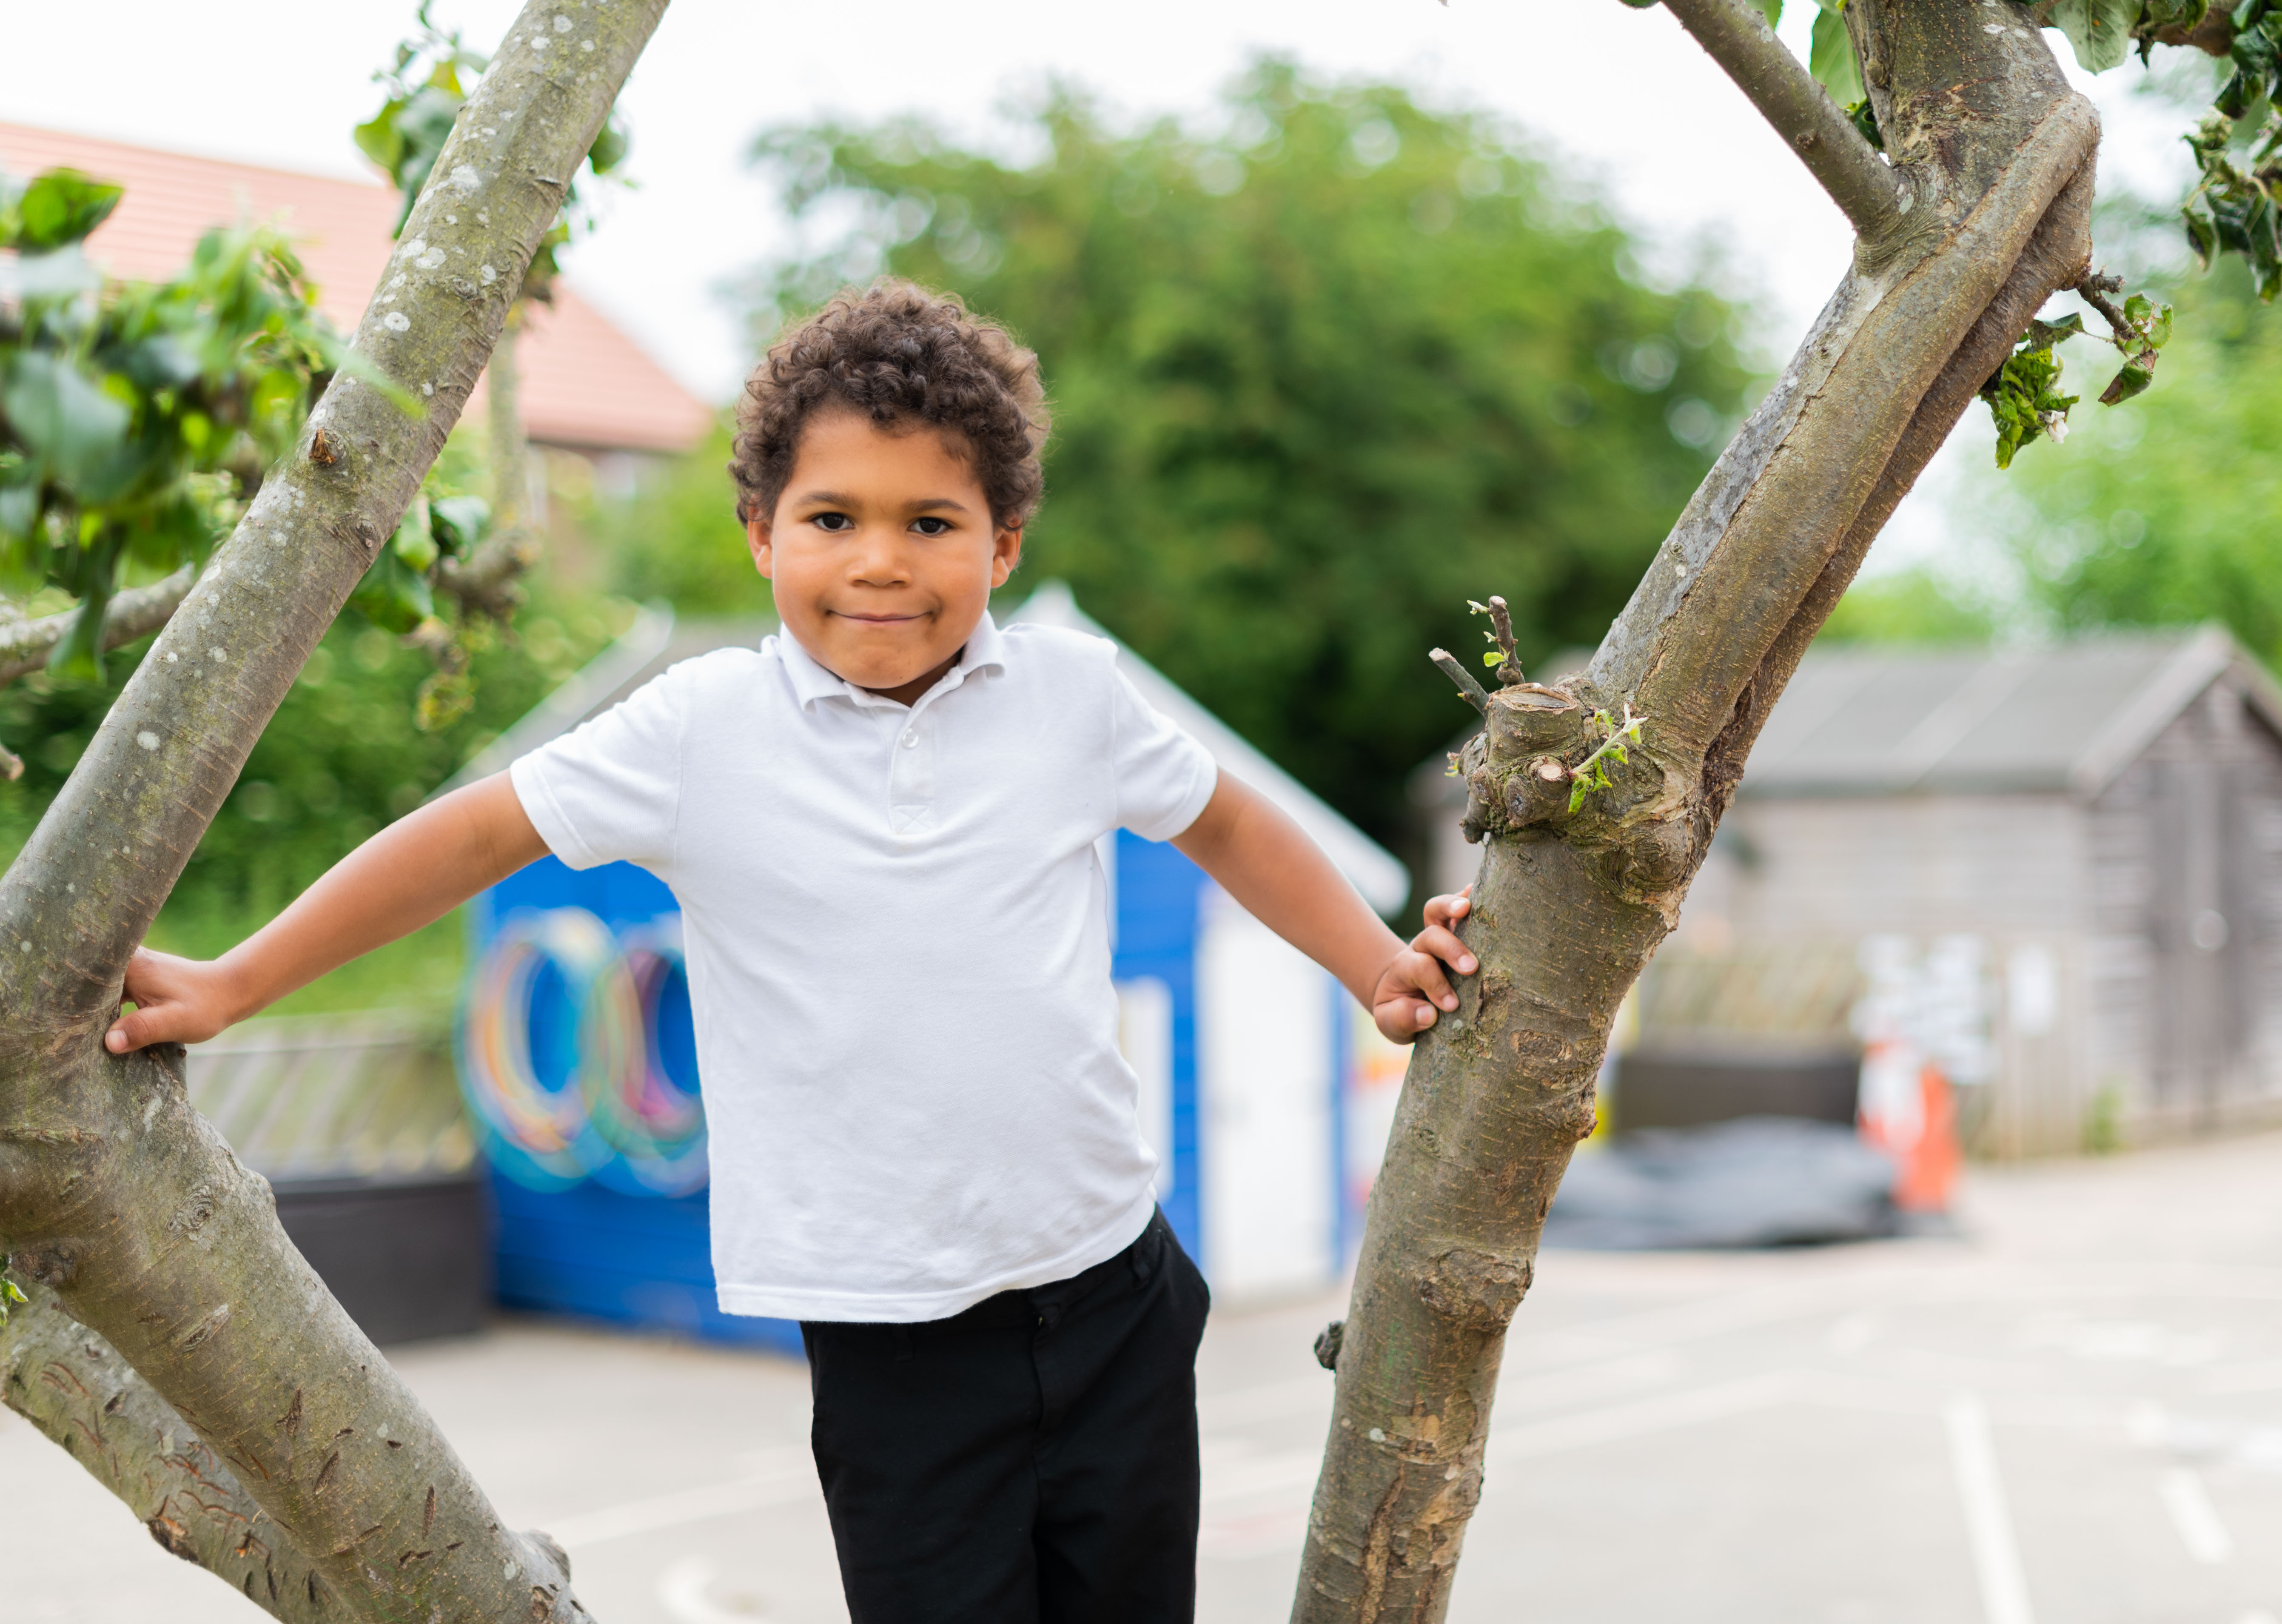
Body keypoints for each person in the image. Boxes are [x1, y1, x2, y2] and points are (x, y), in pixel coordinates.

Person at [106, 280, 1477, 1624]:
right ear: (763, 535)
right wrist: (235, 980)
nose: (880, 559)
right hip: (894, 1341)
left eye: (931, 521)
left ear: (1002, 547)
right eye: (835, 518)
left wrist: (1372, 966)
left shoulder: (1073, 697)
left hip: (1112, 1284)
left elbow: (1233, 823)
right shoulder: (697, 730)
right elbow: (469, 840)